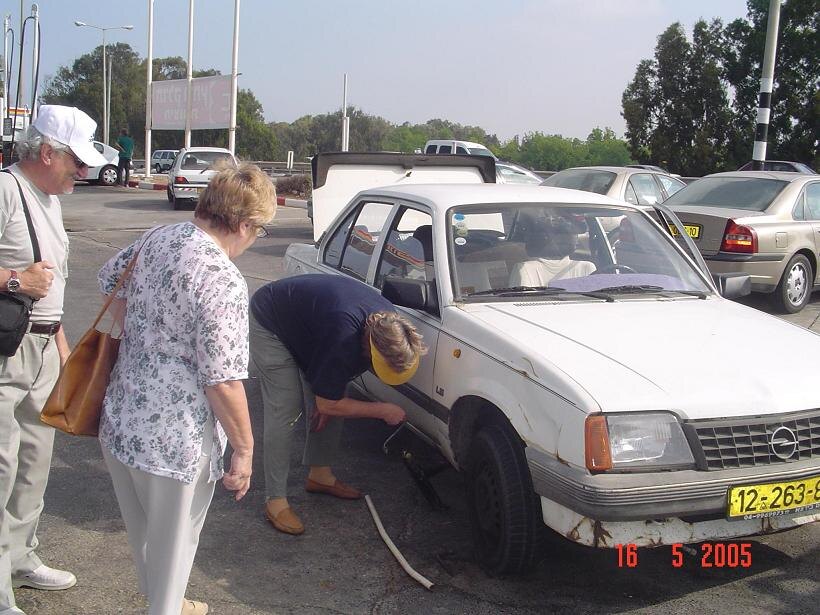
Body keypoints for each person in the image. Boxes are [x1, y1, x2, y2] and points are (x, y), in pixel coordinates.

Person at [97, 163, 275, 615]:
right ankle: (165, 607)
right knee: (175, 548)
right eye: (259, 230)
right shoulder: (222, 278)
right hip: (176, 440)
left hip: (123, 417)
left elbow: (108, 279)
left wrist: (146, 336)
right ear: (241, 224)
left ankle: (167, 604)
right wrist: (245, 449)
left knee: (145, 538)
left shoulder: (160, 236)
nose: (256, 239)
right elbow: (222, 379)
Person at [0, 105, 107, 615]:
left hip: (40, 346)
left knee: (34, 461)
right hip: (6, 351)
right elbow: (27, 277)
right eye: (76, 163)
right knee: (2, 465)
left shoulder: (47, 198)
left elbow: (53, 283)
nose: (83, 173)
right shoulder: (4, 191)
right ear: (47, 152)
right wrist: (14, 280)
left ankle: (21, 558)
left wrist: (61, 342)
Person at [249, 274, 427, 536]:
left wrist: (328, 399)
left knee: (334, 399)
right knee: (285, 409)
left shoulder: (393, 326)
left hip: (311, 327)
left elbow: (331, 393)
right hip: (271, 322)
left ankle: (319, 475)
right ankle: (275, 501)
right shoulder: (344, 336)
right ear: (369, 347)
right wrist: (382, 410)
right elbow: (331, 399)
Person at [509, 215, 595, 286]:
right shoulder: (525, 269)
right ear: (547, 239)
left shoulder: (586, 268)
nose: (575, 240)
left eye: (574, 235)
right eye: (564, 235)